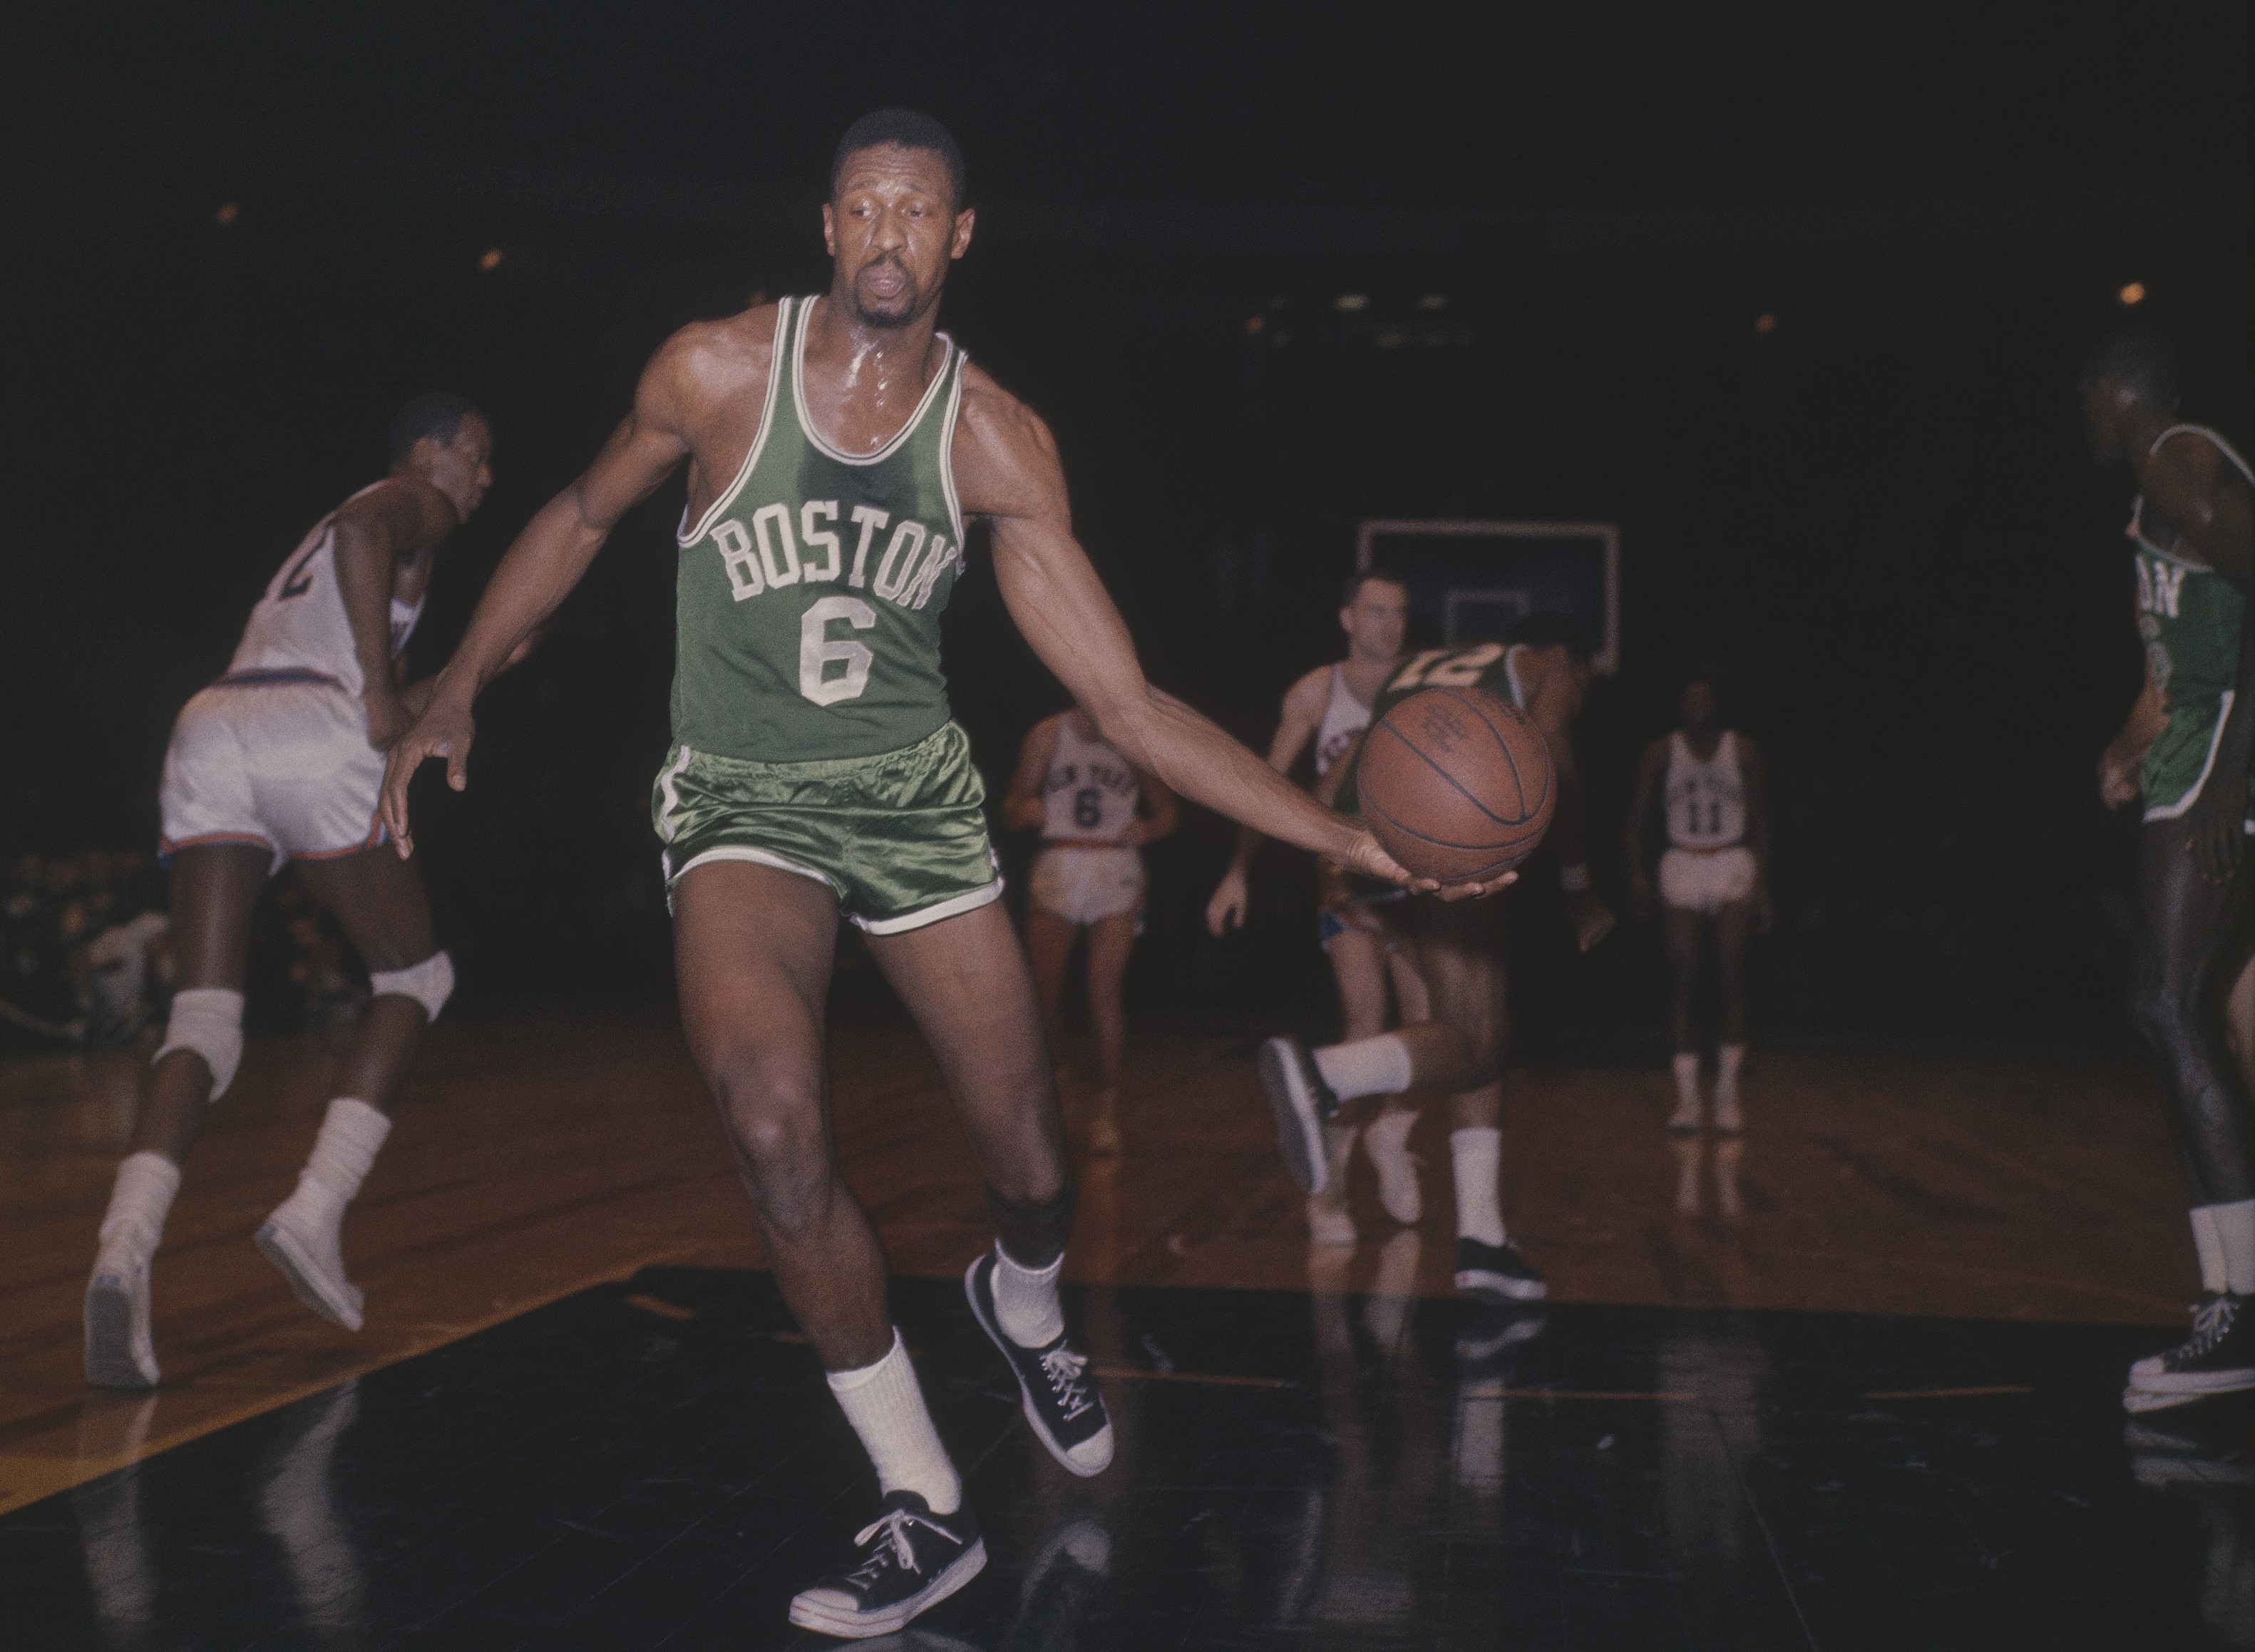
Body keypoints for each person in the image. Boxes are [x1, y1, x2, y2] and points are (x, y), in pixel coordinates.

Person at [379, 112, 1478, 1640]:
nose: (889, 231)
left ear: (960, 240)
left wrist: (1345, 834)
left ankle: (1020, 1302)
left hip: (916, 813)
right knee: (769, 1125)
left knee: (1032, 1159)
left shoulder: (993, 440)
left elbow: (1130, 707)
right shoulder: (711, 371)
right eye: (865, 205)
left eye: (921, 210)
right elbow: (576, 514)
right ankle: (922, 1499)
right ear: (826, 224)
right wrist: (456, 683)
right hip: (743, 806)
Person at [84, 394, 500, 1390]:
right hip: (310, 726)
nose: (483, 481)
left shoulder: (361, 560)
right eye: (477, 459)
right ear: (429, 454)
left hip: (219, 718)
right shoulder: (408, 504)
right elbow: (366, 536)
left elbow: (387, 644)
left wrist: (462, 671)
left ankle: (121, 1247)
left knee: (205, 1015)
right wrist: (372, 689)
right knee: (417, 978)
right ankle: (315, 1210)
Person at [1255, 617, 1617, 1305]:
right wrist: (1578, 886)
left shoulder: (1419, 667)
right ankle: (1323, 1076)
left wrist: (1334, 856)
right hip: (1450, 843)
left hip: (1370, 838)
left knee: (1472, 1030)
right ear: (1572, 657)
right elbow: (1553, 764)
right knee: (1476, 1043)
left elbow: (1355, 755)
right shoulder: (1551, 668)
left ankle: (1482, 1239)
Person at [2079, 325, 2255, 1413]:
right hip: (2187, 743)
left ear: (2111, 393)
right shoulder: (2160, 485)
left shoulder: (2177, 466)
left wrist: (2233, 770)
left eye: (2081, 401)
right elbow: (2179, 644)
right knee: (2179, 1012)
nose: (2080, 422)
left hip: (2221, 754)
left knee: (2168, 1004)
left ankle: (2237, 1314)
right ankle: (2225, 1301)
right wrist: (2122, 743)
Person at [1205, 570, 1427, 1245]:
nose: (1388, 624)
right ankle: (1329, 1180)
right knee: (1366, 1021)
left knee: (1433, 1024)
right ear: (1347, 617)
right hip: (1347, 877)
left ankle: (1393, 1132)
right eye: (1376, 610)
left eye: (1399, 612)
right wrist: (1237, 870)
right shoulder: (1315, 692)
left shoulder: (1427, 685)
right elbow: (1261, 787)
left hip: (1419, 876)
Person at [1001, 707, 1178, 1154]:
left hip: (1115, 864)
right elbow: (1011, 805)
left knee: (1103, 990)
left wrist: (1150, 827)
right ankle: (1053, 1099)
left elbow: (1168, 811)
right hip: (1059, 862)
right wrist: (1026, 809)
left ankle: (1106, 1109)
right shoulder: (1047, 735)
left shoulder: (1133, 737)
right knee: (1044, 989)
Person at [1625, 673, 1774, 1133]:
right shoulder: (1661, 752)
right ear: (1680, 706)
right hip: (1682, 861)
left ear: (1718, 704)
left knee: (1731, 973)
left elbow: (1762, 821)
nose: (1698, 704)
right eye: (1689, 697)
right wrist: (1635, 875)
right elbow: (1638, 818)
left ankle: (1728, 1096)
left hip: (1731, 859)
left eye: (1706, 696)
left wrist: (1764, 885)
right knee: (1684, 977)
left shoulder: (1744, 750)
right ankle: (1688, 1101)